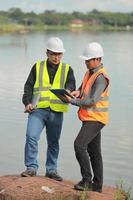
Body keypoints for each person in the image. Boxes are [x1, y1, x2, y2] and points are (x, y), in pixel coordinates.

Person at [21, 37, 76, 181]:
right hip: (38, 110)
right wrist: (27, 102)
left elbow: (71, 85)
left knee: (53, 142)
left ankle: (51, 170)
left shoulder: (67, 69)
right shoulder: (37, 66)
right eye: (53, 54)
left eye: (59, 54)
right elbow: (28, 87)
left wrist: (69, 90)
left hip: (56, 112)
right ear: (47, 53)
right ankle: (31, 168)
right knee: (31, 136)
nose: (56, 57)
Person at [66, 42, 109, 192]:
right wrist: (77, 92)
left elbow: (91, 102)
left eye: (88, 59)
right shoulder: (89, 72)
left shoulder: (101, 78)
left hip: (96, 119)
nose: (85, 62)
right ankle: (97, 187)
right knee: (94, 152)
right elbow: (84, 89)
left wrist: (71, 100)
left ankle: (86, 180)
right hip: (89, 118)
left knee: (79, 145)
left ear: (97, 59)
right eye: (85, 59)